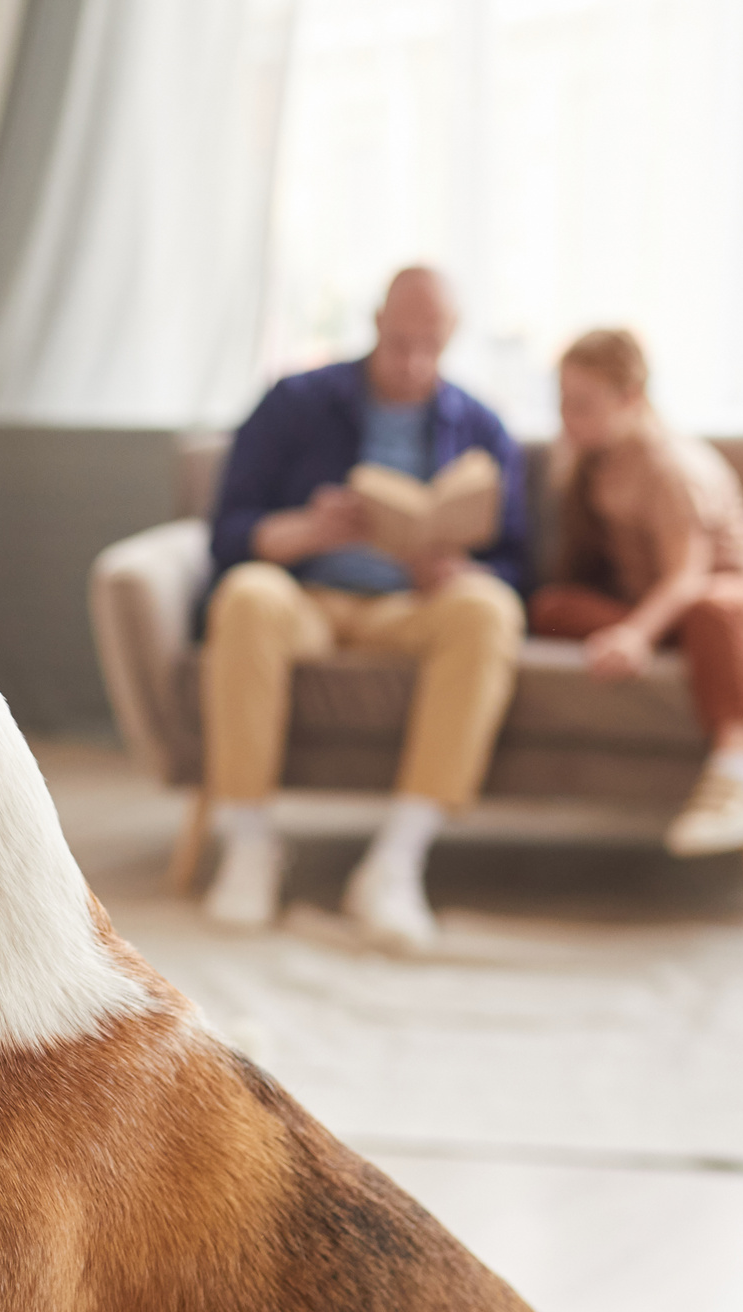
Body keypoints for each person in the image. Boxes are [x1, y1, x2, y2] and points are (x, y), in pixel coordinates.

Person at [198, 265, 528, 948]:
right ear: (376, 322)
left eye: (429, 346)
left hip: (411, 608)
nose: (412, 361)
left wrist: (460, 568)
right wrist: (308, 529)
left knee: (489, 609)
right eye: (400, 340)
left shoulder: (482, 427)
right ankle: (251, 842)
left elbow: (522, 566)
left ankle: (397, 860)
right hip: (307, 597)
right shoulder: (295, 400)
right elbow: (228, 533)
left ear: (452, 340)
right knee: (248, 596)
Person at [531, 328, 743, 857]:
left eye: (582, 404)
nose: (568, 418)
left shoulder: (671, 467)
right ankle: (703, 647)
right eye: (562, 403)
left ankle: (738, 769)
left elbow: (686, 577)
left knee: (708, 610)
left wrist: (633, 633)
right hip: (656, 600)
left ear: (631, 399)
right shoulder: (593, 461)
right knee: (550, 609)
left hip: (720, 588)